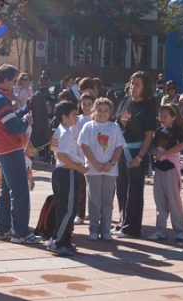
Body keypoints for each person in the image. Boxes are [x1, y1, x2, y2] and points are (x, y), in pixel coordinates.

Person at [0, 63, 42, 244]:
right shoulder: (0, 98)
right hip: (10, 148)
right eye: (14, 81)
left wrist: (24, 110)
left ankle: (2, 228)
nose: (15, 85)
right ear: (5, 80)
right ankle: (21, 232)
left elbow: (9, 118)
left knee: (7, 188)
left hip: (1, 148)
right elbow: (14, 127)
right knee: (20, 191)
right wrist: (26, 120)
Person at [113, 71, 157, 238]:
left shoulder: (147, 105)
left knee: (134, 191)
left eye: (137, 84)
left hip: (136, 152)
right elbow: (118, 123)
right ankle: (121, 221)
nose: (133, 87)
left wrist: (139, 157)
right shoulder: (125, 100)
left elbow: (149, 135)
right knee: (121, 188)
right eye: (132, 83)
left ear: (145, 87)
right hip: (121, 151)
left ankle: (131, 227)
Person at [78, 97, 124, 241]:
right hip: (93, 169)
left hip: (110, 170)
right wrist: (95, 164)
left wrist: (111, 163)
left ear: (110, 112)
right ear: (94, 111)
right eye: (99, 110)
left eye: (106, 111)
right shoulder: (89, 127)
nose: (102, 113)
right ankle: (93, 228)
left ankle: (105, 229)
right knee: (94, 200)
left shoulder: (114, 127)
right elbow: (84, 146)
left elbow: (119, 147)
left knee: (107, 201)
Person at [49, 101, 89, 256]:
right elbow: (61, 155)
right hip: (67, 172)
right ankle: (57, 241)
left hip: (60, 172)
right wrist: (78, 167)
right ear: (64, 117)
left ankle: (63, 240)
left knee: (62, 208)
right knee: (69, 210)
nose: (76, 117)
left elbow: (55, 151)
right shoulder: (65, 133)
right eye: (73, 114)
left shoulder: (59, 131)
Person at [148, 103, 183, 241]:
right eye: (161, 115)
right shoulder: (159, 131)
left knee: (173, 199)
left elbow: (182, 145)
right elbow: (152, 146)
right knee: (159, 199)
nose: (162, 118)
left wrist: (166, 153)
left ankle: (180, 229)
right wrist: (155, 153)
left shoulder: (178, 130)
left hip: (171, 167)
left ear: (174, 117)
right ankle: (161, 229)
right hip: (159, 167)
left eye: (165, 116)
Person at [71, 93, 96, 225]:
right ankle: (79, 213)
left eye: (89, 104)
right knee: (80, 187)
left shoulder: (96, 120)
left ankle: (92, 212)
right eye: (84, 104)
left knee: (92, 188)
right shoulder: (76, 119)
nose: (86, 107)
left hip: (93, 159)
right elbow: (73, 138)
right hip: (79, 159)